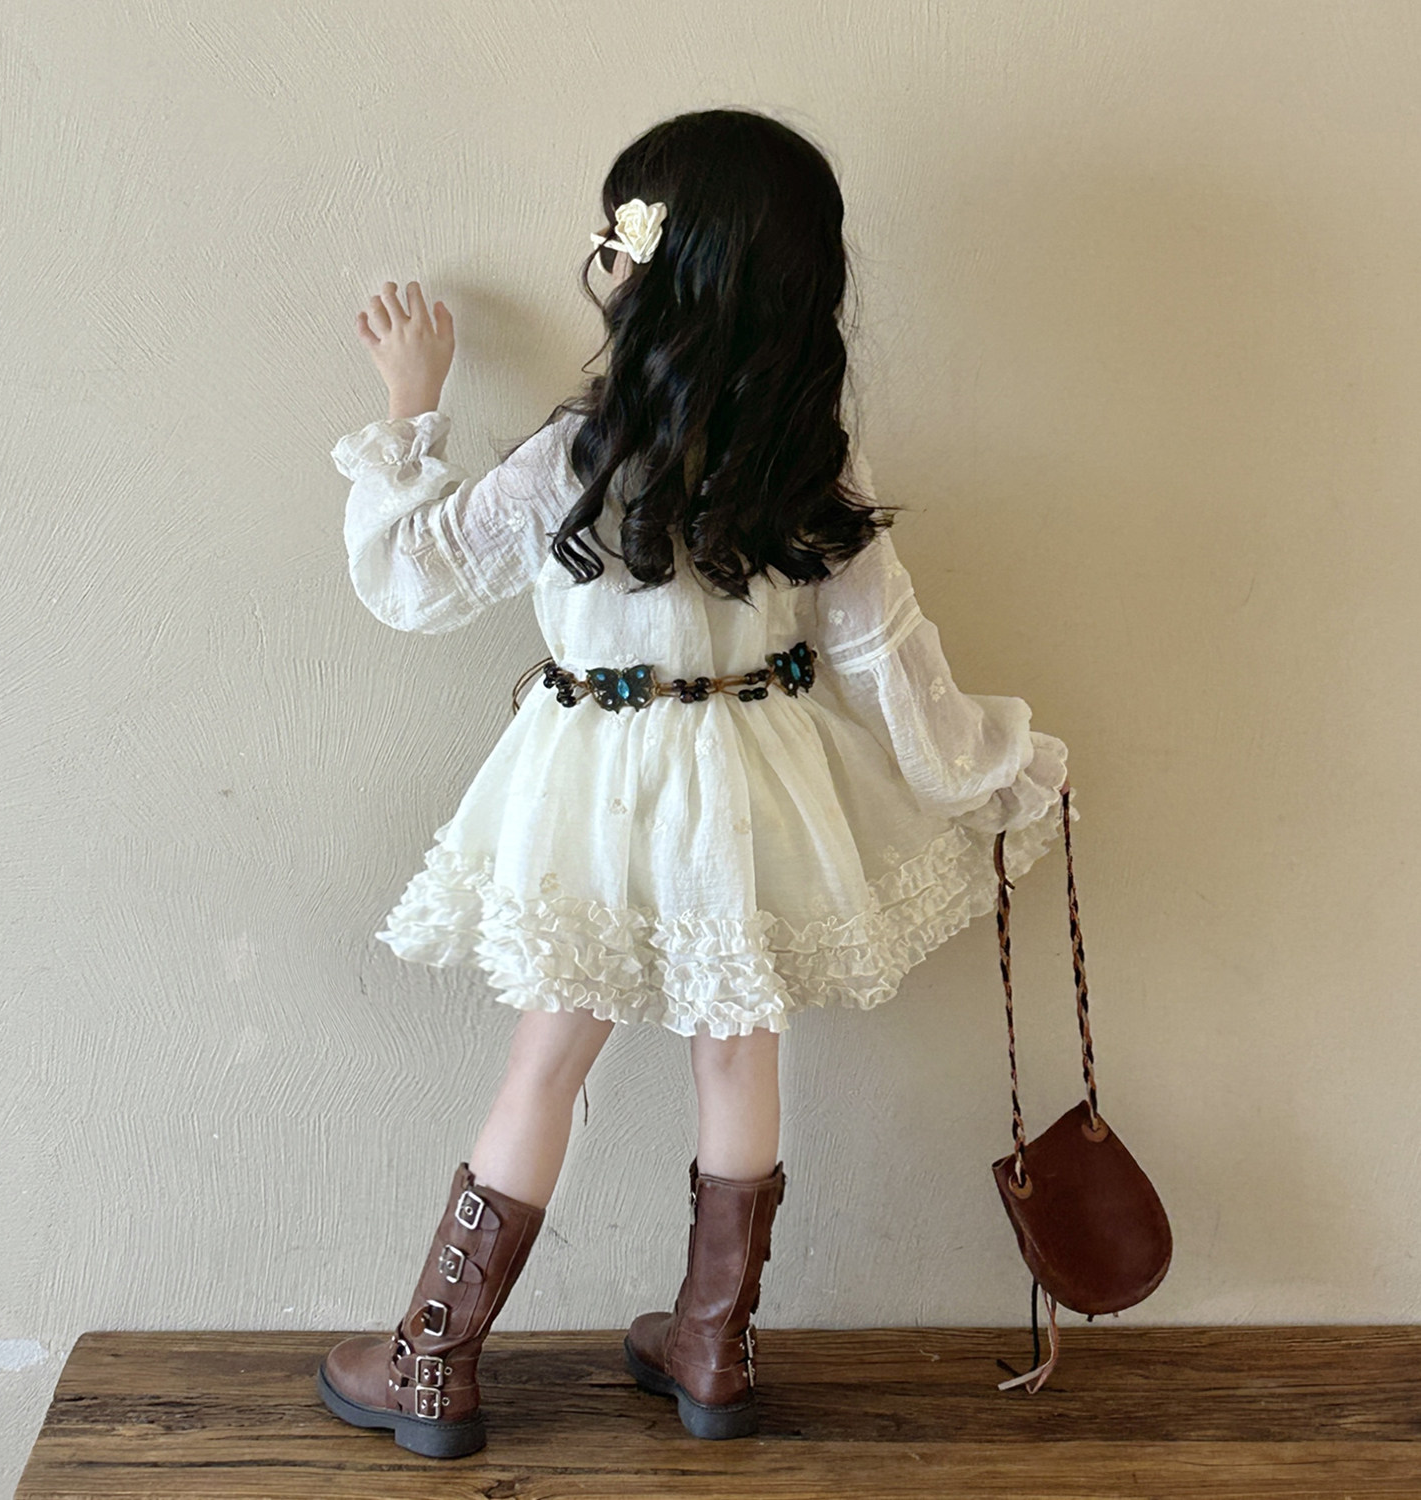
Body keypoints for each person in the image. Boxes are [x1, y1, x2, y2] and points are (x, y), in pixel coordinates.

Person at [316, 107, 1075, 1459]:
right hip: (753, 783)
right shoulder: (807, 458)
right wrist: (988, 768)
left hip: (592, 780)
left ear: (649, 263)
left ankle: (432, 1362)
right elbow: (889, 665)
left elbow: (414, 578)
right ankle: (714, 1351)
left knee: (548, 1064)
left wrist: (410, 409)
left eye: (617, 230)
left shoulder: (583, 450)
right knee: (738, 1050)